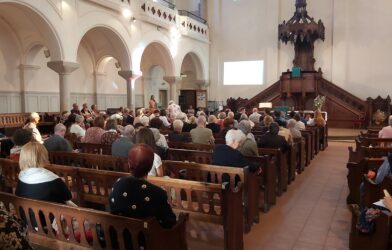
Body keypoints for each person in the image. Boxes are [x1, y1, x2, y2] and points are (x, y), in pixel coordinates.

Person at [109, 144, 176, 229]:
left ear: (129, 164)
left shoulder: (117, 184)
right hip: (148, 240)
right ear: (151, 166)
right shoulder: (158, 193)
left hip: (118, 236)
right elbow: (169, 222)